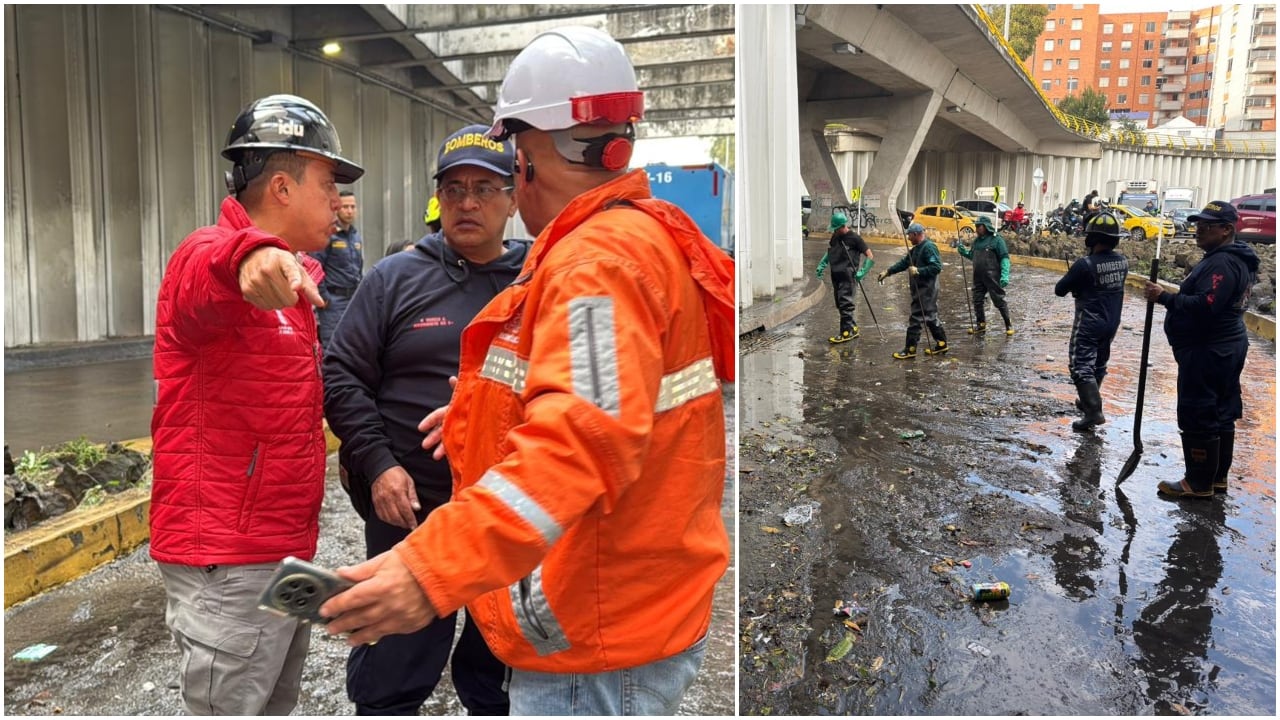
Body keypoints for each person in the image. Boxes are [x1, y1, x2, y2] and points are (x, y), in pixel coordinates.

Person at [321, 26, 735, 716]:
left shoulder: (598, 265)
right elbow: (608, 404)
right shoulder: (634, 238)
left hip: (599, 635)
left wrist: (429, 571)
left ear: (532, 155)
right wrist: (480, 409)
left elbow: (581, 442)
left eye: (508, 157)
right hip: (610, 612)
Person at [149, 94, 363, 715]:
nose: (338, 202)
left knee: (275, 703)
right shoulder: (219, 257)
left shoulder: (297, 285)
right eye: (328, 183)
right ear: (281, 185)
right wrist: (251, 252)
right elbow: (205, 266)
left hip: (280, 549)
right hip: (228, 562)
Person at [323, 124, 523, 715]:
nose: (468, 203)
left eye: (485, 189)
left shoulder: (540, 280)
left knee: (500, 670)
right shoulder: (395, 277)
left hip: (505, 514)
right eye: (455, 188)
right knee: (395, 663)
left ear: (513, 199)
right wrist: (380, 466)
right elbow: (341, 375)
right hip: (407, 508)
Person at [1143, 200, 1259, 498]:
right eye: (1198, 225)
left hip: (1210, 350)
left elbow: (1207, 306)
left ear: (1227, 230)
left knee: (1199, 412)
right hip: (1225, 346)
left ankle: (1197, 482)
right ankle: (1217, 478)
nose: (1199, 231)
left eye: (1207, 226)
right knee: (1221, 412)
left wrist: (1164, 297)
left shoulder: (1222, 262)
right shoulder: (1232, 259)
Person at [1054, 211, 1128, 431]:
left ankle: (1093, 411)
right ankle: (1088, 399)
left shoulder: (1084, 264)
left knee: (1080, 365)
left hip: (1089, 322)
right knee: (1099, 362)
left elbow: (1060, 290)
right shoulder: (1122, 262)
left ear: (1091, 238)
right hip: (1112, 322)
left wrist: (1076, 279)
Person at [878, 222, 947, 358]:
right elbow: (905, 262)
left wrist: (919, 271)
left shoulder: (928, 247)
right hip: (920, 289)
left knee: (916, 317)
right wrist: (888, 271)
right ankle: (942, 344)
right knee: (930, 317)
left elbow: (937, 267)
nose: (908, 238)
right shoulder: (916, 249)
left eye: (909, 235)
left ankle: (910, 349)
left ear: (916, 234)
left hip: (927, 290)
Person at [310, 190, 363, 348]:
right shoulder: (328, 234)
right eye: (345, 206)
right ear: (337, 208)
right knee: (334, 347)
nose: (349, 211)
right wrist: (324, 298)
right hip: (333, 301)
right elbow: (315, 266)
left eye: (353, 207)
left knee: (354, 345)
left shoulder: (355, 236)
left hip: (353, 299)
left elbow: (358, 269)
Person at [815, 210, 874, 343]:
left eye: (836, 229)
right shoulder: (835, 237)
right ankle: (852, 328)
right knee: (840, 304)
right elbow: (830, 252)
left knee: (845, 304)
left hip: (849, 276)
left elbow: (869, 255)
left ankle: (846, 333)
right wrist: (822, 263)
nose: (834, 231)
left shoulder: (855, 238)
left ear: (843, 226)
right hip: (836, 275)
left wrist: (863, 271)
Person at [956, 215, 1014, 336]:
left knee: (998, 300)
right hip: (978, 277)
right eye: (976, 226)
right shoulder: (976, 242)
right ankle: (980, 324)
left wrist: (1005, 275)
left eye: (979, 226)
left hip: (992, 276)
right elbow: (973, 256)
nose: (977, 229)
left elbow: (1004, 258)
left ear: (986, 227)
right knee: (977, 300)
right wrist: (964, 252)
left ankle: (1008, 323)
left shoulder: (997, 240)